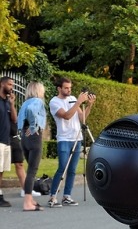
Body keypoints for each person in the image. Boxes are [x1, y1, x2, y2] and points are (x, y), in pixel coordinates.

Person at [47, 77, 96, 208]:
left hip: (76, 138)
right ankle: (53, 196)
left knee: (72, 170)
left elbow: (82, 118)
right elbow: (66, 116)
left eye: (70, 88)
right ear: (59, 88)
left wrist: (89, 105)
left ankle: (66, 196)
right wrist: (78, 102)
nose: (69, 90)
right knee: (62, 167)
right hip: (64, 139)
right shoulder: (54, 102)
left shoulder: (73, 99)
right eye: (66, 88)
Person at [17, 82, 47, 211]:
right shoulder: (37, 101)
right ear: (38, 90)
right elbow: (31, 111)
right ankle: (27, 203)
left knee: (30, 170)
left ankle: (30, 200)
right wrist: (34, 126)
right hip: (34, 138)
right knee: (32, 171)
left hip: (24, 137)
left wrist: (26, 128)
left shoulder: (25, 103)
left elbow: (21, 118)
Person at [0, 76, 17, 207]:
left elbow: (14, 120)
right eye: (10, 84)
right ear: (2, 84)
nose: (12, 87)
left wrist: (12, 104)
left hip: (6, 140)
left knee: (1, 170)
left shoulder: (7, 101)